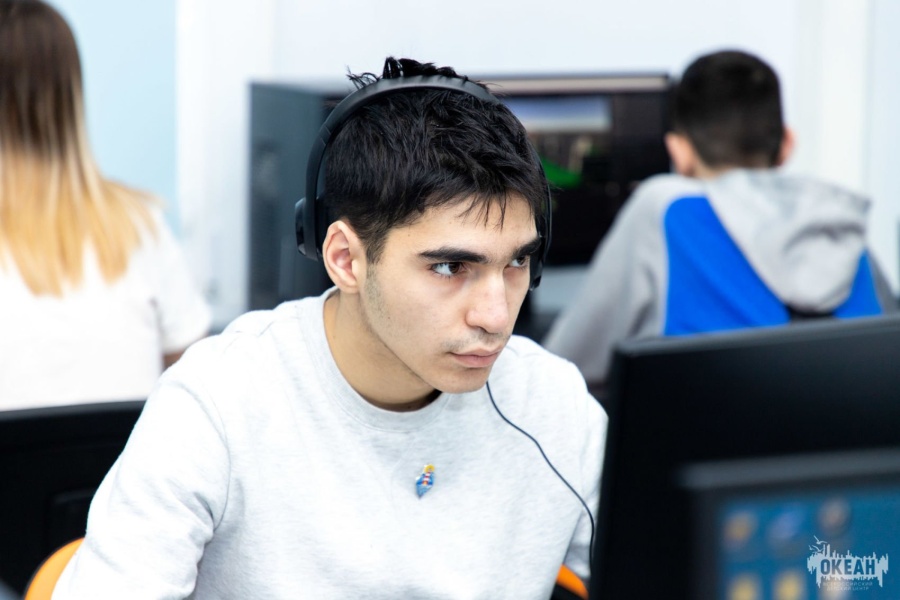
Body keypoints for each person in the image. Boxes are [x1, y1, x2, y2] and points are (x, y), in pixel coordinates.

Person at [54, 57, 608, 598]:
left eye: (517, 262)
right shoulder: (219, 403)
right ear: (345, 259)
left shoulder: (555, 405)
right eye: (449, 267)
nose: (495, 316)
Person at [543, 49, 897, 391]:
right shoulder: (835, 216)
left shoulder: (665, 206)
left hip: (706, 430)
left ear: (679, 151)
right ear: (787, 144)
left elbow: (562, 367)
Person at [0, 0, 211, 409]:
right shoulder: (141, 226)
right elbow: (198, 384)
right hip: (125, 452)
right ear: (70, 96)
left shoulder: (142, 226)